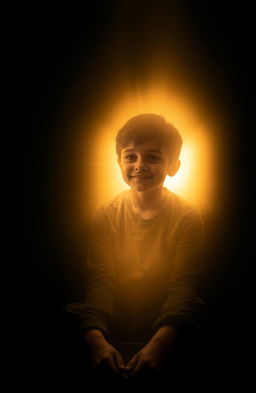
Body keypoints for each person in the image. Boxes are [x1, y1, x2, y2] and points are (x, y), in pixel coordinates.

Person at [66, 113, 206, 390]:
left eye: (153, 157)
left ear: (173, 166)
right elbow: (101, 280)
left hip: (167, 323)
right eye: (131, 157)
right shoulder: (106, 213)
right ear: (119, 162)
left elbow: (183, 286)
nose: (140, 165)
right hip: (115, 320)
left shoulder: (187, 216)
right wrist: (96, 339)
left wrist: (159, 344)